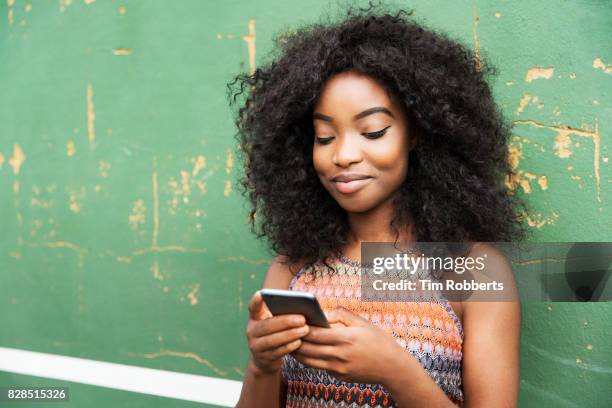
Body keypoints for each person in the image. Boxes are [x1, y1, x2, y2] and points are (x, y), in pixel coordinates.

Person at [228, 3, 528, 407]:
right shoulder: (292, 270)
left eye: (373, 131)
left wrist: (396, 371)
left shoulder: (473, 271)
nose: (344, 155)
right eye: (324, 136)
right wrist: (262, 366)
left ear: (416, 134)